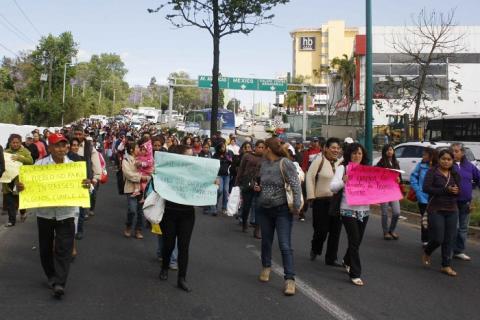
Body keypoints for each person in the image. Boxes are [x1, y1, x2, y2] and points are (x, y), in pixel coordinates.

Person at [17, 133, 91, 298]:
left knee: (64, 249)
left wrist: (88, 185)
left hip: (66, 214)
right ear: (49, 147)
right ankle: (51, 275)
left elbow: (86, 188)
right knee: (45, 249)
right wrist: (20, 187)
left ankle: (59, 283)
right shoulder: (39, 165)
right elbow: (25, 187)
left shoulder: (75, 167)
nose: (61, 149)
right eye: (57, 145)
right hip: (45, 214)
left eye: (64, 145)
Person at [255, 137, 302, 296]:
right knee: (266, 241)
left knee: (284, 244)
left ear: (268, 148)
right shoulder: (263, 164)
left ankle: (290, 279)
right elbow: (261, 183)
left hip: (282, 210)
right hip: (264, 209)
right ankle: (266, 266)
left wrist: (296, 207)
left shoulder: (285, 163)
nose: (261, 150)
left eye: (264, 147)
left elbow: (296, 185)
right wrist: (257, 187)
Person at [159, 145, 200, 292]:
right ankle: (164, 267)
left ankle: (182, 278)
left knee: (184, 247)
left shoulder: (195, 172)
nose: (192, 158)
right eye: (188, 155)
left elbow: (203, 183)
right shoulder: (167, 171)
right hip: (169, 212)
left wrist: (212, 184)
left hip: (187, 214)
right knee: (169, 244)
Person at [330, 143, 370, 286]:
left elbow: (376, 188)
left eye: (359, 153)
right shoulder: (343, 168)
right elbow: (333, 187)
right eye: (354, 153)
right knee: (354, 240)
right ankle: (355, 273)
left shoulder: (367, 170)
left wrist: (392, 183)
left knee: (357, 241)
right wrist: (343, 181)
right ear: (349, 154)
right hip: (347, 209)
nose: (357, 156)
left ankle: (347, 260)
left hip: (364, 210)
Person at [422, 149, 461, 277]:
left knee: (449, 239)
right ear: (439, 160)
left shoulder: (454, 174)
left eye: (449, 159)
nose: (446, 161)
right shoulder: (432, 172)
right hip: (436, 209)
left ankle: (446, 265)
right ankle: (428, 251)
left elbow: (460, 190)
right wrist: (445, 190)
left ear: (452, 161)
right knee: (438, 238)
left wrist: (456, 191)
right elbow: (426, 188)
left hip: (452, 209)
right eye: (443, 159)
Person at [305, 137, 343, 266]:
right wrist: (311, 196)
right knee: (321, 230)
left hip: (337, 202)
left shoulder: (341, 163)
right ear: (326, 148)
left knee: (335, 231)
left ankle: (331, 258)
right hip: (321, 201)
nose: (335, 150)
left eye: (338, 148)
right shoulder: (319, 160)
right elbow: (309, 177)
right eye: (333, 147)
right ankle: (315, 248)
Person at [451, 143, 480, 261]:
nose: (454, 153)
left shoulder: (470, 166)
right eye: (452, 151)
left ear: (462, 153)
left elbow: (478, 179)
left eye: (457, 151)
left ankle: (459, 251)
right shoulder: (448, 165)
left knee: (463, 228)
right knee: (455, 227)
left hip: (466, 202)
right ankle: (450, 249)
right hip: (451, 202)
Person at [73, 126, 102, 239]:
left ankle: (79, 230)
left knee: (80, 209)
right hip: (70, 182)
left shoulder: (89, 147)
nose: (78, 136)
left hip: (84, 180)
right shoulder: (68, 145)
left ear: (84, 135)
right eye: (76, 134)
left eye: (80, 134)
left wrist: (95, 178)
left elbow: (95, 163)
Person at [3, 134, 33, 227]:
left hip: (19, 182)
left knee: (19, 200)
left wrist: (19, 158)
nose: (15, 144)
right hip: (8, 182)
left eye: (17, 142)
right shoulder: (5, 152)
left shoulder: (24, 151)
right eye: (13, 142)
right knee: (10, 201)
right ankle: (11, 221)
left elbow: (31, 161)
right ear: (10, 143)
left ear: (20, 143)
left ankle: (23, 213)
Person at [235, 140, 265, 234]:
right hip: (247, 183)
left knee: (259, 207)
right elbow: (241, 169)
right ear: (255, 147)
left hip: (260, 184)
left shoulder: (266, 158)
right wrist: (237, 183)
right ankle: (244, 223)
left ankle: (257, 230)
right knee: (246, 206)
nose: (260, 149)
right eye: (259, 147)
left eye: (262, 147)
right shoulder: (247, 156)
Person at [410, 148, 438, 246]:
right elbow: (413, 177)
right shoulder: (420, 166)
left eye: (425, 155)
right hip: (423, 197)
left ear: (431, 156)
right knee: (425, 218)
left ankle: (433, 238)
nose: (423, 157)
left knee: (434, 219)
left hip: (435, 198)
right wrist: (418, 190)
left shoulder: (438, 167)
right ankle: (425, 240)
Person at [122, 141, 149, 239]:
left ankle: (138, 230)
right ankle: (128, 226)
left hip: (142, 189)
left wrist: (147, 177)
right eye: (137, 148)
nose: (139, 149)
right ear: (131, 150)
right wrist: (141, 177)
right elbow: (128, 175)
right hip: (131, 188)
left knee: (141, 211)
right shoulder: (126, 160)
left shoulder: (144, 159)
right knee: (132, 210)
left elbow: (150, 171)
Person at [376, 144, 402, 240]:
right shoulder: (381, 163)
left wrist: (399, 180)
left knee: (397, 212)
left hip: (394, 190)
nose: (389, 151)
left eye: (391, 149)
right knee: (384, 213)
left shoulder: (396, 162)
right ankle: (386, 232)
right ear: (384, 152)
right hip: (384, 191)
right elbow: (376, 176)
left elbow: (399, 177)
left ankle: (392, 230)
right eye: (387, 150)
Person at [213, 142, 233, 215]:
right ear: (218, 148)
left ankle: (224, 207)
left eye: (224, 147)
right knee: (220, 190)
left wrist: (228, 159)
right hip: (219, 175)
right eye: (221, 147)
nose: (223, 148)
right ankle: (215, 204)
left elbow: (231, 161)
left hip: (227, 175)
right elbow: (214, 163)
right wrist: (221, 160)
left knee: (226, 191)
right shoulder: (215, 155)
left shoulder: (228, 154)